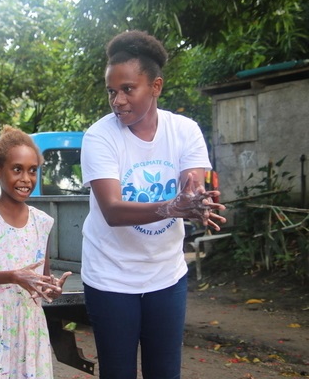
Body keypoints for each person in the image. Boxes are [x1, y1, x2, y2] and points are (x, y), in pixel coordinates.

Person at [80, 30, 227, 379]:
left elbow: (192, 188)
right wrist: (172, 208)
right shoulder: (99, 137)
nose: (117, 100)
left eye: (128, 89)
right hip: (111, 277)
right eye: (112, 91)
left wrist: (197, 204)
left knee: (165, 372)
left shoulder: (185, 131)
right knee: (118, 373)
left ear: (156, 86)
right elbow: (113, 211)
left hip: (166, 275)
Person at [0, 125, 72, 379]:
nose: (26, 179)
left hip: (28, 326)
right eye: (17, 169)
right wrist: (12, 276)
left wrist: (52, 288)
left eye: (33, 171)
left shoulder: (42, 222)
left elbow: (42, 278)